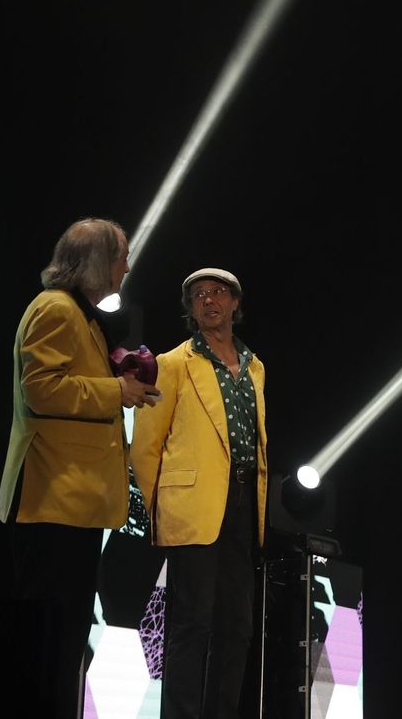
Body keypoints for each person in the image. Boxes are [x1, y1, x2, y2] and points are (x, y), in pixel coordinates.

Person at [0, 217, 157, 718]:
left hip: (72, 504)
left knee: (64, 637)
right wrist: (117, 391)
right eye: (121, 256)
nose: (127, 267)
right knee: (47, 635)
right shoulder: (56, 309)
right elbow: (43, 389)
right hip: (52, 501)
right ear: (95, 262)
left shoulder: (79, 315)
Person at [131, 268, 268, 719]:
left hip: (244, 504)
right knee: (192, 624)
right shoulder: (172, 363)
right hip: (192, 507)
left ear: (235, 303)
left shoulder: (255, 366)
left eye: (218, 292)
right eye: (199, 295)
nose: (208, 300)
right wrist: (165, 505)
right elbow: (145, 447)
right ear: (191, 309)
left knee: (238, 628)